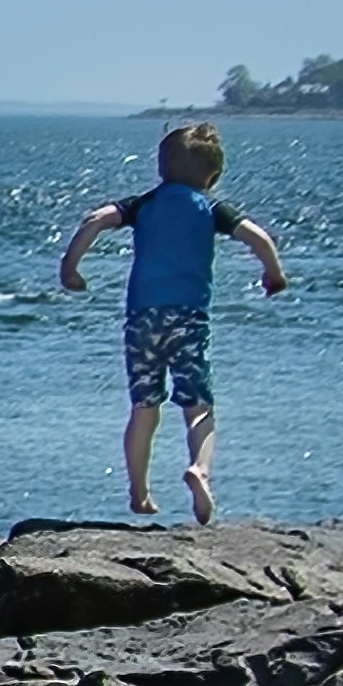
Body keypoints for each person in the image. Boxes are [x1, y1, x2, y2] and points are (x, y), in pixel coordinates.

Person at [60, 122, 288, 524]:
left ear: (161, 167)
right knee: (199, 405)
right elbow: (257, 236)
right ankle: (199, 469)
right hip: (188, 319)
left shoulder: (143, 204)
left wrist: (71, 268)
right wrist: (273, 273)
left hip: (141, 319)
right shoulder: (212, 208)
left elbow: (95, 219)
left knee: (144, 408)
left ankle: (139, 492)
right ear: (213, 176)